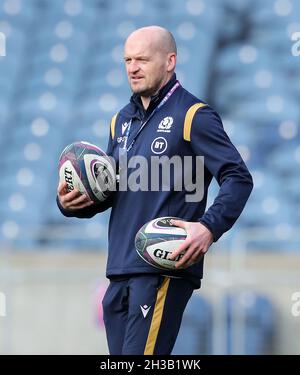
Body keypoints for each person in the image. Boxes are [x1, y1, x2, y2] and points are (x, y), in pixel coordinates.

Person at [57, 26, 253, 355]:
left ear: (169, 61)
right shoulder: (120, 122)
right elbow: (110, 190)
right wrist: (72, 202)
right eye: (128, 60)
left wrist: (208, 228)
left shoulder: (194, 115)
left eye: (143, 59)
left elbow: (238, 176)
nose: (132, 67)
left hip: (161, 268)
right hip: (118, 270)